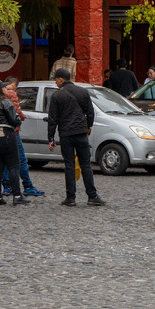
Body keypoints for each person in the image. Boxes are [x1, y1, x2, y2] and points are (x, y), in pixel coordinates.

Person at [46, 68, 104, 207]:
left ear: (61, 79)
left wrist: (51, 138)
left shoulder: (57, 96)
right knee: (86, 165)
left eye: (56, 79)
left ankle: (70, 197)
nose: (55, 82)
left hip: (66, 134)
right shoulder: (83, 92)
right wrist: (88, 129)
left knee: (69, 165)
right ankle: (92, 196)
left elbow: (52, 118)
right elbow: (90, 113)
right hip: (81, 132)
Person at [0, 77, 44, 197]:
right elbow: (16, 111)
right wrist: (22, 117)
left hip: (1, 131)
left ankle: (7, 187)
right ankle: (27, 186)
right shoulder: (11, 93)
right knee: (21, 159)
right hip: (13, 131)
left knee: (5, 160)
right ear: (14, 84)